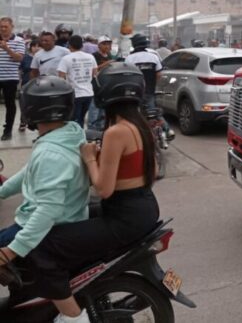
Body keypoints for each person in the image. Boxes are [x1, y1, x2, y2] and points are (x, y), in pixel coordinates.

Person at [24, 63, 159, 323]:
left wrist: (89, 158)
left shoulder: (116, 132)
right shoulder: (142, 125)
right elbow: (149, 174)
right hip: (143, 208)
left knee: (41, 245)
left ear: (103, 95)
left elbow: (103, 189)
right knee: (72, 219)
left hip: (123, 216)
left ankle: (73, 317)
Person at [0, 76, 90, 323]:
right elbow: (30, 170)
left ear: (29, 110)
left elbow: (48, 210)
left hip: (49, 226)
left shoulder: (51, 153)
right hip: (66, 217)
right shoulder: (70, 132)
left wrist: (12, 250)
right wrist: (3, 190)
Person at [57, 35, 97, 128]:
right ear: (82, 45)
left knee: (74, 120)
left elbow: (61, 78)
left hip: (75, 94)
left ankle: (77, 139)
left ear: (69, 45)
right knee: (81, 118)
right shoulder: (90, 57)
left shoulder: (66, 58)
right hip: (88, 93)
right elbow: (95, 73)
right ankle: (81, 138)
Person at [0, 17, 26, 141]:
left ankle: (8, 130)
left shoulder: (19, 41)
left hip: (10, 78)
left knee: (10, 105)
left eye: (6, 26)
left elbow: (19, 58)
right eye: (1, 26)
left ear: (12, 27)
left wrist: (6, 48)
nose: (3, 29)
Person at [124, 33, 162, 110]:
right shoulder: (154, 57)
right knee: (152, 113)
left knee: (135, 113)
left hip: (135, 92)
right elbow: (159, 74)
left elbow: (126, 75)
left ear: (134, 44)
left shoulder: (129, 58)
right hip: (150, 91)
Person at [87, 36, 115, 131]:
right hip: (96, 86)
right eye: (104, 44)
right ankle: (92, 131)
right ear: (99, 45)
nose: (107, 46)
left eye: (109, 44)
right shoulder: (93, 56)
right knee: (94, 110)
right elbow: (92, 70)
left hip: (107, 87)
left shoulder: (110, 55)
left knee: (104, 111)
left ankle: (102, 129)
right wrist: (106, 64)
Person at [18, 37, 40, 132]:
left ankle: (37, 124)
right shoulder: (25, 58)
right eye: (34, 46)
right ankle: (23, 121)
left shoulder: (42, 57)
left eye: (38, 46)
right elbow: (20, 70)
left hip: (39, 85)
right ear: (30, 47)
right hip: (26, 84)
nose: (36, 48)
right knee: (24, 104)